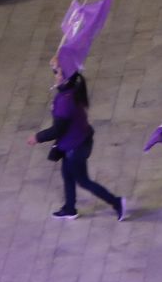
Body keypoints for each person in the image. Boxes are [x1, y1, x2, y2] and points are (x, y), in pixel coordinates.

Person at [28, 62, 127, 220]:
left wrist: (37, 138)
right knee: (67, 175)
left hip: (75, 147)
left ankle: (117, 202)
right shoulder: (72, 90)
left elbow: (57, 130)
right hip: (79, 141)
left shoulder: (64, 102)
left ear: (66, 79)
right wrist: (57, 62)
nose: (55, 75)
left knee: (83, 180)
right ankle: (69, 208)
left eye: (58, 73)